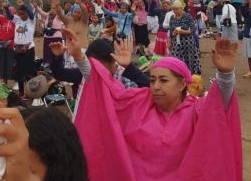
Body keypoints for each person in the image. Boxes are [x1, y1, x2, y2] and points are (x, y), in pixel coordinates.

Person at [74, 38, 241, 180]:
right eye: (152, 80)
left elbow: (218, 105)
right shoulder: (139, 101)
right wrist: (80, 58)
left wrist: (225, 75)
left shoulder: (196, 110)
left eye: (163, 80)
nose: (155, 86)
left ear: (182, 84)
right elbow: (104, 88)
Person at [164, 0, 201, 74]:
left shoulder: (187, 16)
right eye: (173, 9)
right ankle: (178, 74)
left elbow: (193, 30)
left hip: (188, 42)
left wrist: (182, 32)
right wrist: (174, 34)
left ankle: (189, 74)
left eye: (177, 9)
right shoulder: (172, 17)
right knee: (176, 58)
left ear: (182, 8)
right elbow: (171, 32)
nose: (175, 11)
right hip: (176, 42)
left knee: (189, 59)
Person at [34, 0, 65, 67]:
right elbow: (41, 12)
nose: (52, 9)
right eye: (52, 8)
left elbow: (61, 13)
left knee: (55, 53)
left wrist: (57, 5)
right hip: (47, 36)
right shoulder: (47, 15)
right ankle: (47, 64)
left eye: (54, 8)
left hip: (56, 37)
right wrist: (36, 6)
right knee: (47, 52)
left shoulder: (58, 16)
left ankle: (57, 65)